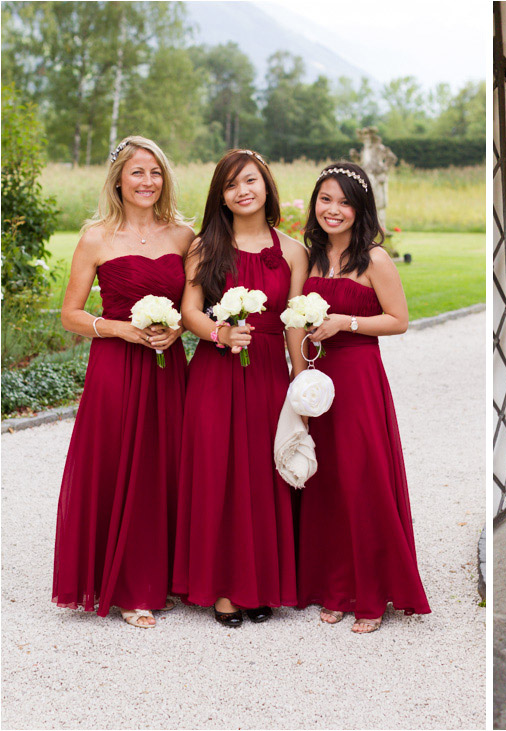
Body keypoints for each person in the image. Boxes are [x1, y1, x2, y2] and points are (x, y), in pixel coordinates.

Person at [52, 136, 194, 629]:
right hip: (115, 365)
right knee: (119, 464)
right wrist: (118, 329)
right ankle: (131, 587)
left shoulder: (182, 236)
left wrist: (178, 327)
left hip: (167, 365)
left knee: (167, 465)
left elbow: (197, 303)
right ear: (118, 178)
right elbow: (70, 314)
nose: (147, 182)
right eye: (137, 172)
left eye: (155, 172)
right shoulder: (96, 236)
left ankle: (166, 576)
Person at [172, 150, 309, 627]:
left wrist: (299, 380)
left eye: (250, 180)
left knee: (261, 471)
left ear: (266, 185)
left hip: (268, 369)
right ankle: (224, 587)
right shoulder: (206, 245)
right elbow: (190, 311)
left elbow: (293, 323)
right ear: (222, 197)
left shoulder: (293, 251)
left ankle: (262, 582)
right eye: (231, 186)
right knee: (218, 472)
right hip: (215, 369)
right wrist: (219, 333)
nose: (242, 191)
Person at [297, 163, 430, 634]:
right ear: (315, 203)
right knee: (325, 479)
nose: (334, 210)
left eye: (345, 202)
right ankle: (334, 588)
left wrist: (345, 323)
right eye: (326, 199)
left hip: (356, 377)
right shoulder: (307, 257)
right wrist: (297, 380)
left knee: (361, 478)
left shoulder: (374, 259)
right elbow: (294, 320)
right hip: (316, 378)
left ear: (360, 209)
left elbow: (398, 320)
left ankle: (371, 595)